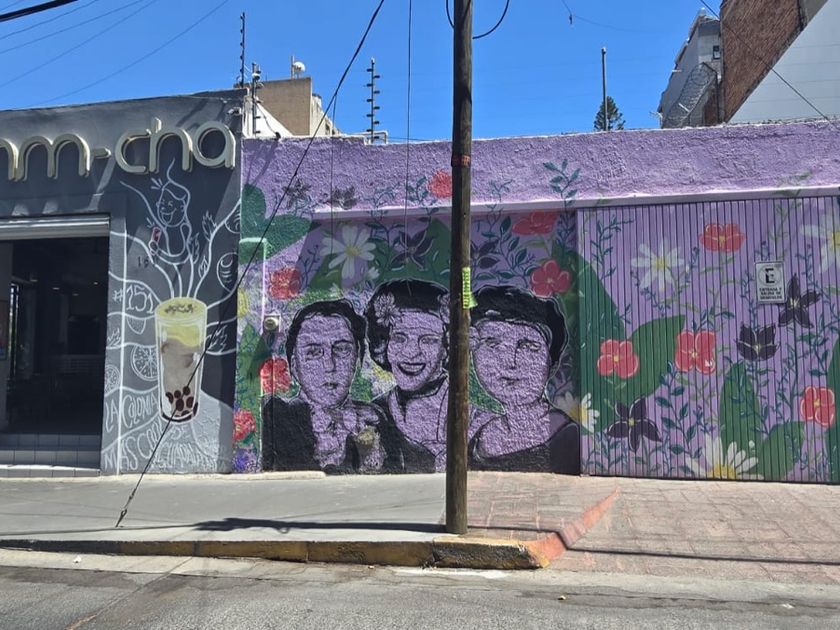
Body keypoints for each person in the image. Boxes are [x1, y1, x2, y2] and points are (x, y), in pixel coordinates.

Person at [262, 299, 384, 473]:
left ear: (357, 359)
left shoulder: (374, 419)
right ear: (294, 366)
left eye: (341, 349)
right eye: (313, 352)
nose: (329, 365)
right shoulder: (277, 416)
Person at [468, 285, 580, 474]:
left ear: (551, 363)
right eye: (492, 343)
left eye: (528, 347)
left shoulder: (568, 437)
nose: (510, 362)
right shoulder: (481, 434)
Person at [365, 279, 450, 472]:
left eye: (428, 340)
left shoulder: (474, 420)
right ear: (384, 344)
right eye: (399, 338)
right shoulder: (373, 414)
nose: (411, 353)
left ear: (446, 348)